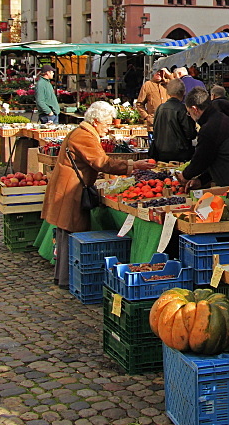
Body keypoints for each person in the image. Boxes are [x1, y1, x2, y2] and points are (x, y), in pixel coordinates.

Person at [42, 101, 151, 289]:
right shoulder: (84, 136)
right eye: (106, 124)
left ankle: (63, 277)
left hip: (69, 187)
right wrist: (133, 166)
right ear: (95, 121)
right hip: (71, 190)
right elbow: (102, 163)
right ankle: (67, 279)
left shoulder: (82, 133)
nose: (108, 128)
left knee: (66, 231)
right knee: (70, 231)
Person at [182, 89, 229, 190]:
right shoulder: (221, 119)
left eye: (189, 113)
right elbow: (214, 158)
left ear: (194, 109)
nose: (190, 116)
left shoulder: (210, 127)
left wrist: (185, 176)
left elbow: (201, 159)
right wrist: (202, 180)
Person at [148, 80, 196, 163]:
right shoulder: (182, 109)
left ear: (168, 92)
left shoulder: (160, 108)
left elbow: (155, 129)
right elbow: (190, 133)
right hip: (179, 153)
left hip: (160, 151)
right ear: (183, 92)